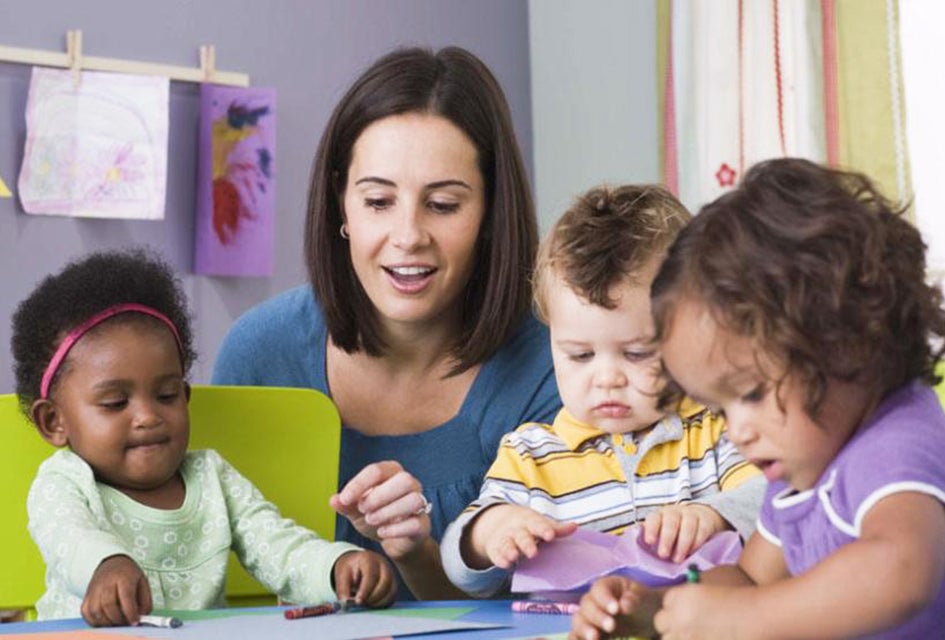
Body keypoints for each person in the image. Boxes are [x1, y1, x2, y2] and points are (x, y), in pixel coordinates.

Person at [211, 45, 559, 600]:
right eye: (378, 201)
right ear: (341, 205)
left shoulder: (554, 369)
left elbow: (538, 614)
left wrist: (414, 549)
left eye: (443, 205)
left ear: (491, 215)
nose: (407, 235)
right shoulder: (259, 354)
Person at [571, 158, 945, 640]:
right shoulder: (803, 464)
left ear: (842, 336)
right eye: (720, 410)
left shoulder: (897, 440)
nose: (739, 431)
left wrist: (741, 621)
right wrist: (657, 608)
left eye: (751, 393)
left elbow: (903, 571)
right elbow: (750, 581)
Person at [12, 249, 396, 625]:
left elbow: (278, 546)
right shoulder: (63, 483)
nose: (147, 417)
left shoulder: (211, 477)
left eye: (166, 395)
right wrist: (106, 566)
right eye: (115, 403)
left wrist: (336, 567)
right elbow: (70, 539)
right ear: (54, 421)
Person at [440, 185, 764, 598]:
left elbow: (776, 503)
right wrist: (491, 531)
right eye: (579, 355)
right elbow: (457, 563)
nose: (606, 378)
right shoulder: (530, 456)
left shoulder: (714, 427)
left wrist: (713, 514)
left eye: (636, 352)